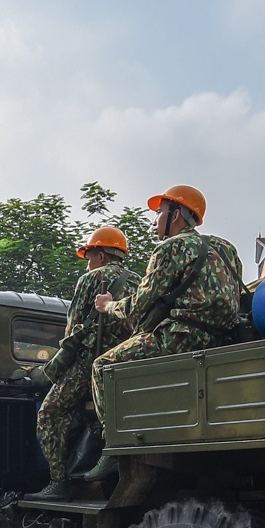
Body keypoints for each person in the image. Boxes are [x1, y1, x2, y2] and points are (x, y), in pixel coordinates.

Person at [85, 185, 244, 477]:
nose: (155, 221)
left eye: (159, 212)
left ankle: (114, 446)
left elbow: (138, 306)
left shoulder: (170, 248)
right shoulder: (227, 249)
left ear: (177, 214)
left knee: (102, 366)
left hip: (178, 337)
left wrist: (108, 305)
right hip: (220, 341)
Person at [32, 225, 139, 501]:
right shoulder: (139, 281)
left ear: (101, 256)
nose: (87, 263)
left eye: (89, 256)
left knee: (49, 413)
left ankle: (59, 483)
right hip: (127, 362)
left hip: (89, 364)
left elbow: (73, 330)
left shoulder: (90, 279)